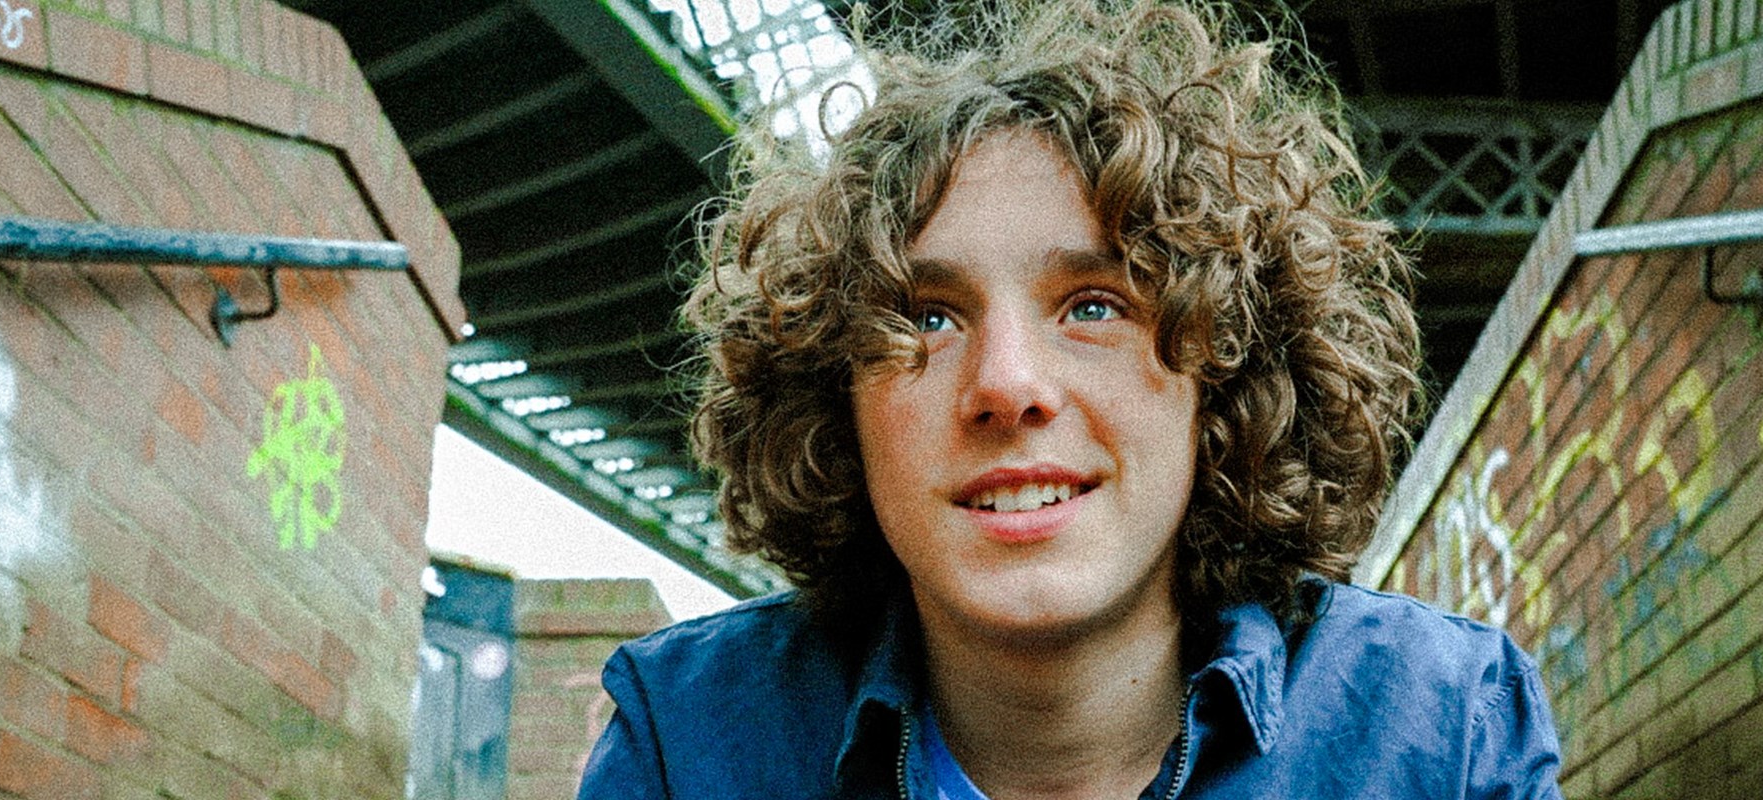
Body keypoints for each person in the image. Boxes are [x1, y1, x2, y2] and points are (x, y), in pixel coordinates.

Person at [578, 1, 1563, 797]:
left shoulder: (1445, 730)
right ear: (836, 399)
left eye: (1092, 304)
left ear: (1220, 373)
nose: (1007, 384)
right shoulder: (688, 742)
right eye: (926, 316)